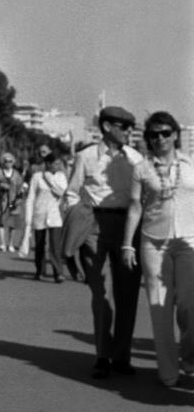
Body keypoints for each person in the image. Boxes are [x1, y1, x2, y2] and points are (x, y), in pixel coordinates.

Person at [65, 105, 143, 379]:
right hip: (94, 226)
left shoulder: (135, 158)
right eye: (124, 127)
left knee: (127, 295)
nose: (129, 132)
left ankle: (121, 356)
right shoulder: (85, 157)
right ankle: (102, 356)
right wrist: (80, 221)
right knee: (101, 295)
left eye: (131, 127)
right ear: (108, 127)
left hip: (127, 228)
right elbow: (71, 193)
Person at [121, 112, 194, 387]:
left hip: (189, 241)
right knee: (159, 307)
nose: (160, 138)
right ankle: (167, 370)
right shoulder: (142, 168)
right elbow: (135, 206)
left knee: (190, 306)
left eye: (165, 133)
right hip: (153, 242)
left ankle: (189, 356)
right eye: (153, 135)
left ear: (175, 134)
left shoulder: (191, 164)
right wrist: (127, 243)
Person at [23, 152, 67, 281]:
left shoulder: (61, 177)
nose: (58, 166)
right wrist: (28, 217)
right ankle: (40, 271)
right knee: (40, 245)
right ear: (48, 164)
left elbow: (61, 191)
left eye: (59, 164)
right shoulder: (36, 177)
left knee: (55, 245)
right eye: (56, 163)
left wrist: (49, 178)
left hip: (55, 215)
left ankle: (58, 272)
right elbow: (31, 197)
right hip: (39, 213)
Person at [0, 152, 26, 252]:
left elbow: (20, 186)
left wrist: (18, 196)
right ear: (3, 162)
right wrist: (0, 185)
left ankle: (11, 243)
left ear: (13, 162)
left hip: (13, 201)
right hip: (2, 200)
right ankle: (2, 243)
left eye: (10, 161)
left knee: (12, 222)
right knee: (1, 221)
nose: (8, 163)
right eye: (6, 161)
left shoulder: (17, 174)